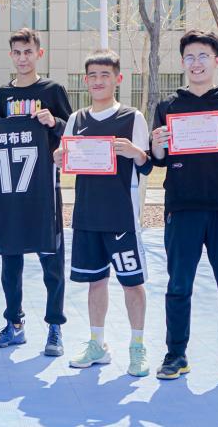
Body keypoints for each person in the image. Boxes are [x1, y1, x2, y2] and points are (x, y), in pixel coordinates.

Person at [149, 30, 218, 389]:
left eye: (203, 56)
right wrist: (157, 144)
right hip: (182, 207)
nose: (196, 63)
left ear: (217, 60)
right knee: (178, 286)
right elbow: (159, 160)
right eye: (189, 57)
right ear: (182, 62)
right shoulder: (169, 106)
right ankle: (176, 355)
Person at [52, 50, 152, 377]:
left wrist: (136, 152)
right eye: (92, 75)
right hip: (87, 216)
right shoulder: (77, 120)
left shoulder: (132, 117)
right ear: (85, 80)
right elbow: (65, 160)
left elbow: (147, 164)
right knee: (96, 282)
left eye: (105, 75)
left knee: (132, 284)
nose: (98, 81)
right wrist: (58, 157)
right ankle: (97, 344)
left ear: (117, 79)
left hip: (121, 217)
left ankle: (137, 346)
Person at [0, 27, 72, 356]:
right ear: (10, 55)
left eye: (28, 51)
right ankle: (14, 323)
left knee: (51, 261)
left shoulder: (53, 90)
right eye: (16, 52)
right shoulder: (3, 94)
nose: (22, 58)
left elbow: (71, 132)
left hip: (43, 189)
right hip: (10, 190)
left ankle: (55, 326)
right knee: (10, 260)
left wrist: (54, 123)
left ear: (39, 54)